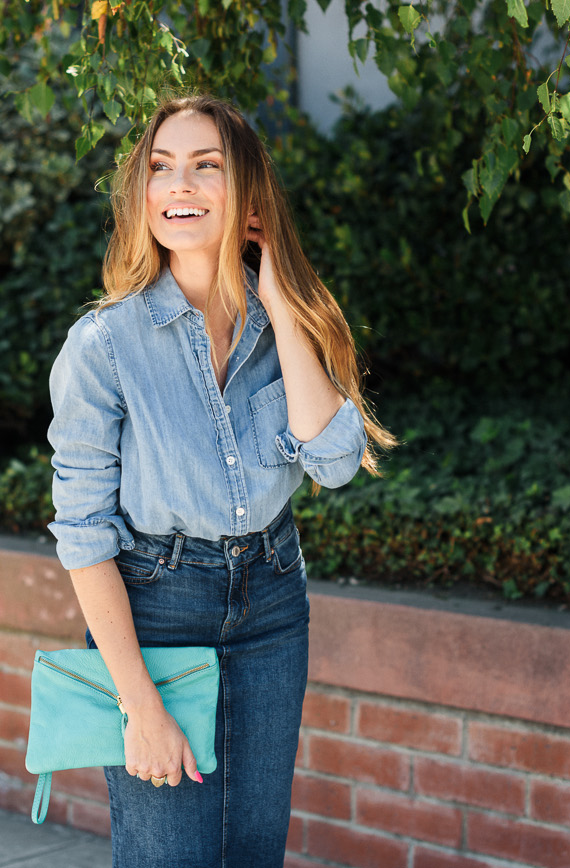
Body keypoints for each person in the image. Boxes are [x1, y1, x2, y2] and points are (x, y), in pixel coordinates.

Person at [46, 94, 395, 868]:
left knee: (252, 852)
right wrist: (139, 705)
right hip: (160, 609)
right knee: (170, 856)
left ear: (247, 199)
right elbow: (82, 536)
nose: (181, 186)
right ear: (142, 195)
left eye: (207, 166)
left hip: (272, 605)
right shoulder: (103, 346)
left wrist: (280, 302)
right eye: (162, 167)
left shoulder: (283, 325)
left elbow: (335, 464)